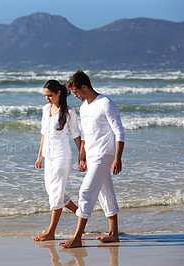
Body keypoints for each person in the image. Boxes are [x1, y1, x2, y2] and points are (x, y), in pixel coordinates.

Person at [59, 70, 125, 248]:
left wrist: (117, 158)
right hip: (92, 154)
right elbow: (86, 135)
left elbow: (119, 131)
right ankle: (114, 234)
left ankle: (77, 237)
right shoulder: (84, 107)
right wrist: (82, 155)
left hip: (105, 153)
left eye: (76, 92)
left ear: (84, 86)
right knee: (106, 194)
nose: (75, 96)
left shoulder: (105, 103)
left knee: (86, 192)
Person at [34, 80, 82, 241]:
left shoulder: (69, 112)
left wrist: (82, 155)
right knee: (54, 193)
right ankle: (82, 215)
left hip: (62, 156)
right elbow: (44, 133)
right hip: (48, 156)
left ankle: (51, 232)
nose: (47, 98)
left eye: (50, 95)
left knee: (56, 195)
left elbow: (76, 135)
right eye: (45, 96)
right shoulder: (45, 109)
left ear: (59, 93)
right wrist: (40, 155)